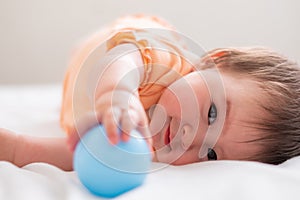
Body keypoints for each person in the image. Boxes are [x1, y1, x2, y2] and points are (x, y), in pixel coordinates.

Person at [1, 14, 300, 171]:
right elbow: (124, 60)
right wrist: (117, 97)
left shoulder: (152, 150)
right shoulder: (171, 64)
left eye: (211, 154)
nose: (190, 136)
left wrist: (19, 150)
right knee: (91, 52)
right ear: (216, 61)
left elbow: (80, 155)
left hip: (73, 94)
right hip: (109, 46)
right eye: (212, 113)